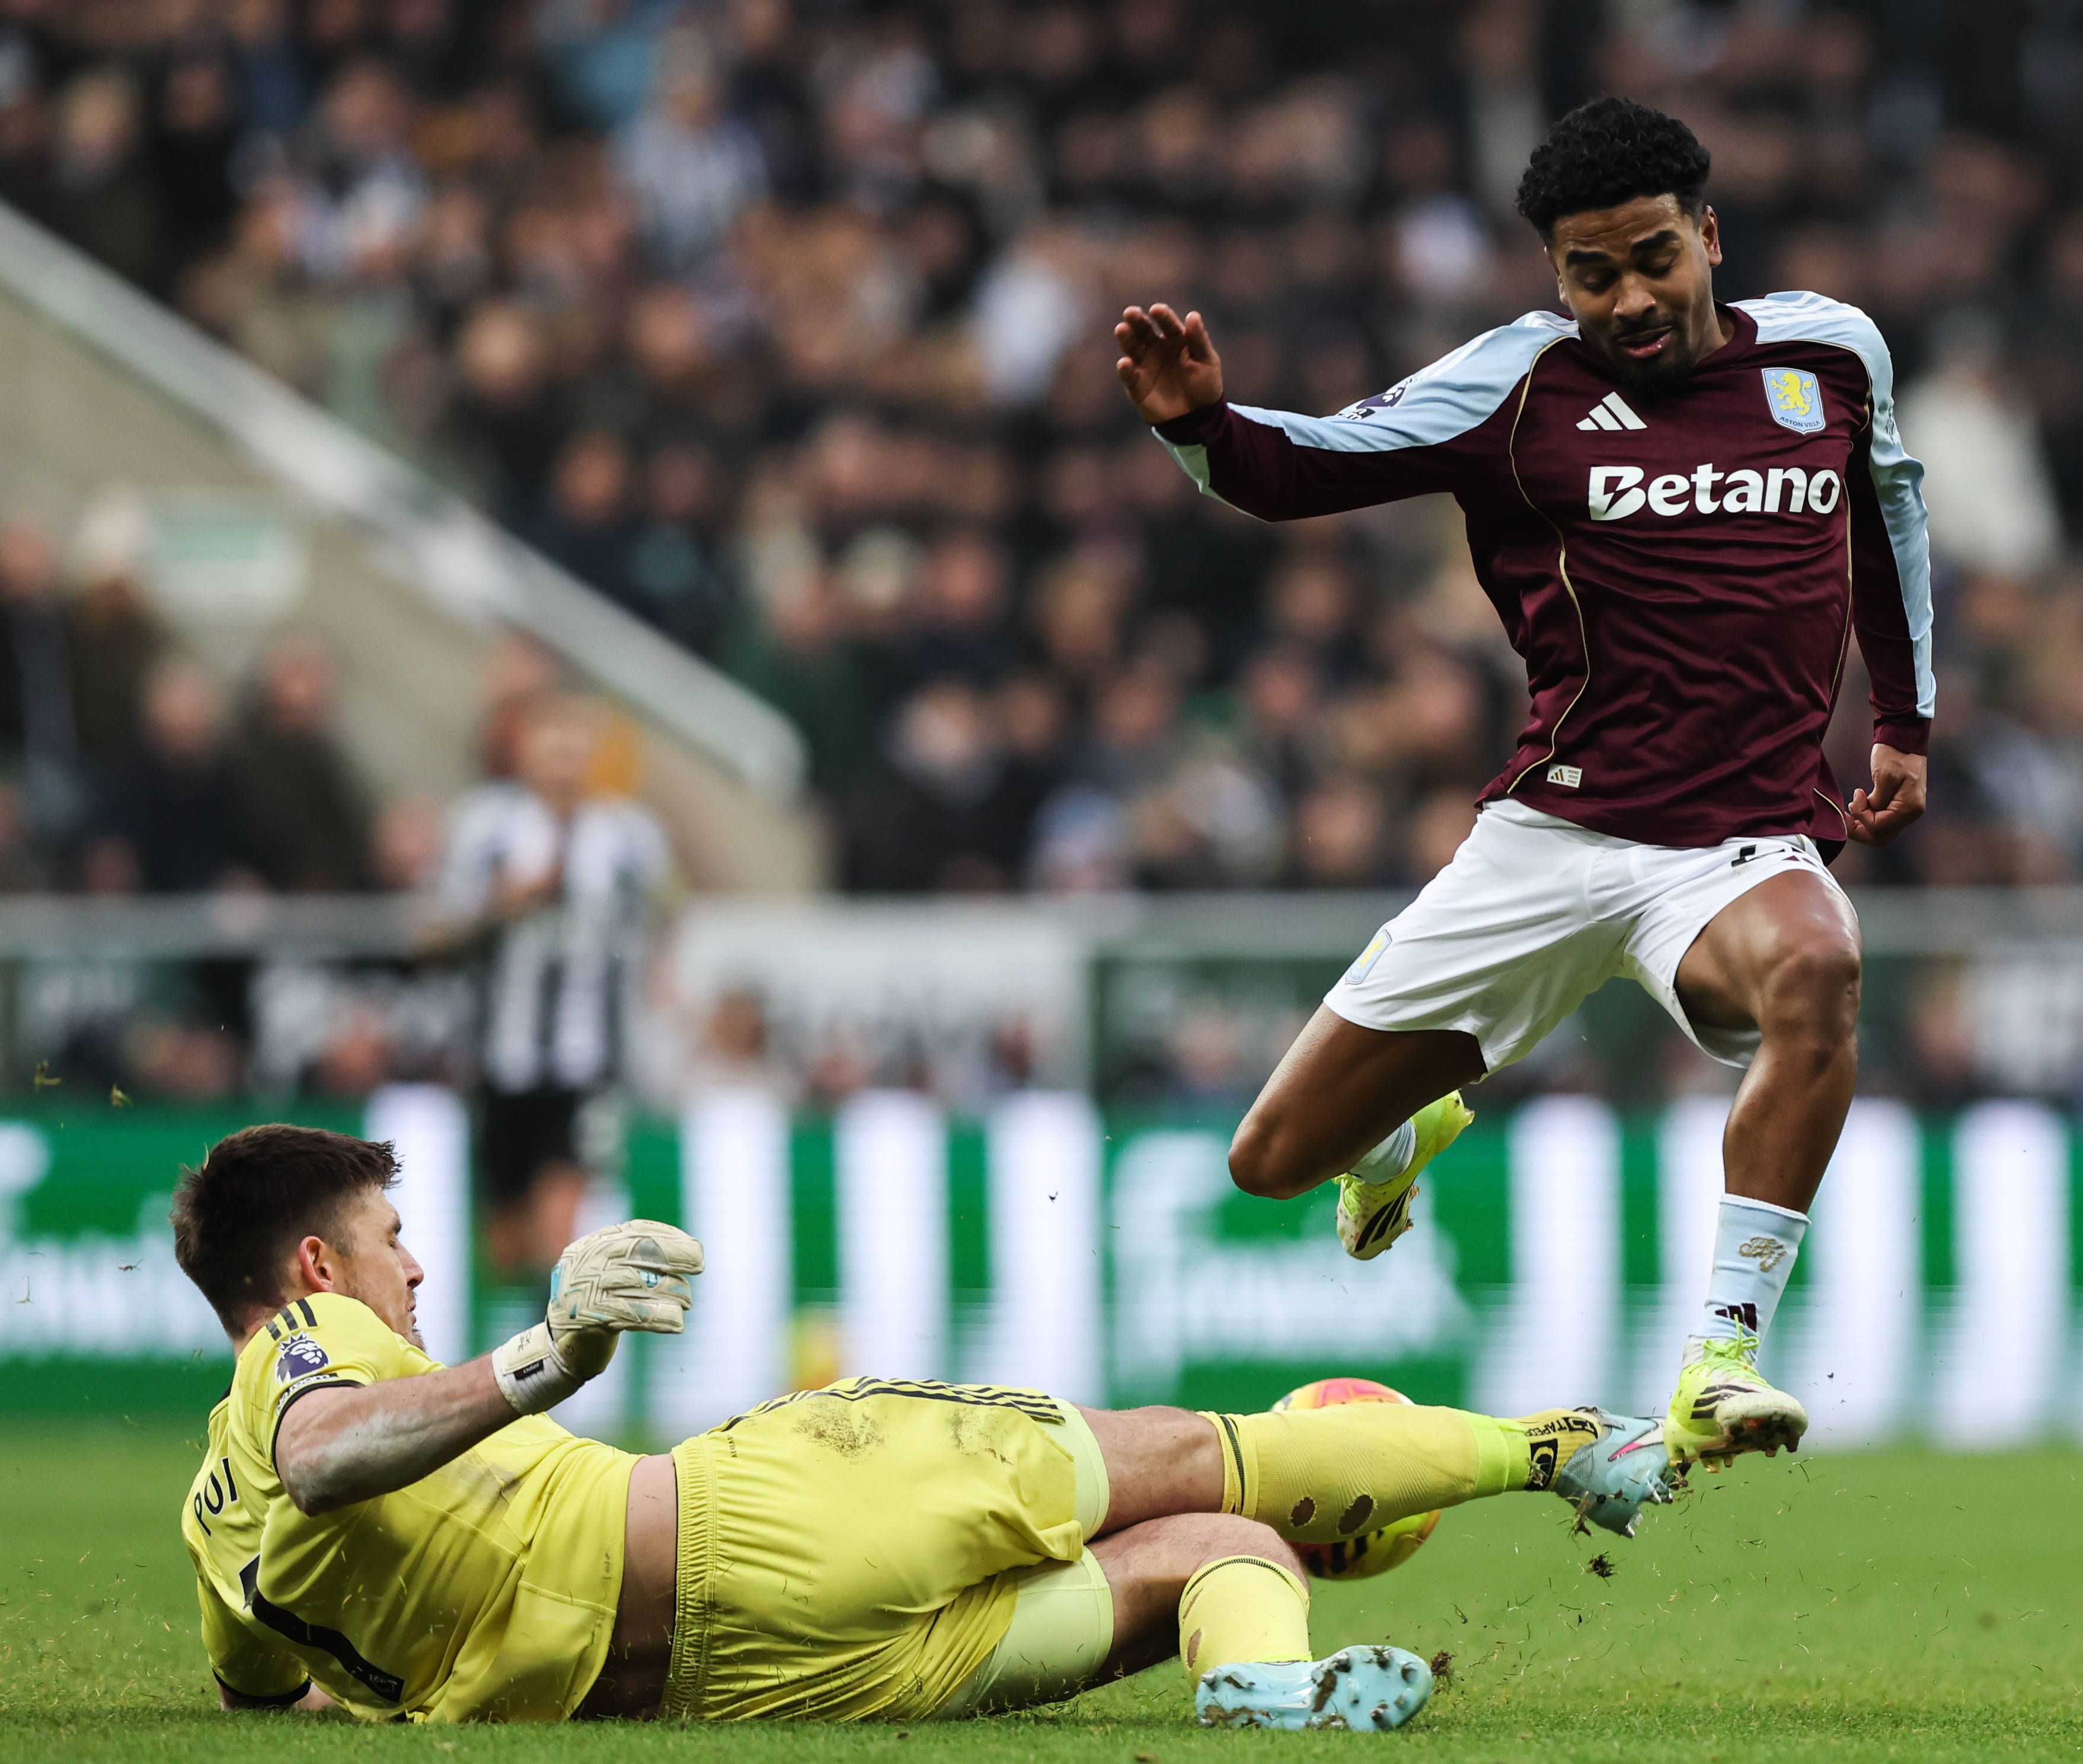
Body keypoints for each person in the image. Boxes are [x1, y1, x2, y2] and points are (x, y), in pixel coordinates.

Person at [1113, 98, 1932, 1471]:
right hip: (1552, 838)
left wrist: (1904, 722)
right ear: (1556, 274)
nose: (1628, 299)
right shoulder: (1516, 382)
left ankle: (1722, 1360)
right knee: (1272, 1160)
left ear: (1708, 236)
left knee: (1817, 966)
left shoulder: (1829, 355)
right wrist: (1199, 424)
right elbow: (1302, 468)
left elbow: (1886, 511)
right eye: (1590, 274)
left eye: (1652, 259)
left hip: (1733, 851)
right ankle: (1396, 1139)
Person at [171, 1126, 1674, 1730]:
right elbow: (324, 1450)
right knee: (1207, 1454)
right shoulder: (314, 1345)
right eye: (389, 1241)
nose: (413, 1272)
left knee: (1220, 1555)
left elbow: (265, 1705)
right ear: (312, 1267)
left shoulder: (207, 1535)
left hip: (743, 1692)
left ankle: (1262, 1688)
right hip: (767, 1522)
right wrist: (541, 1359)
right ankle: (1565, 1451)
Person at [427, 691, 673, 1277]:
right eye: (550, 735)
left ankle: (555, 1320)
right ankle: (529, 1314)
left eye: (574, 735)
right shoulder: (485, 827)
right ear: (524, 747)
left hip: (591, 1060)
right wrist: (500, 905)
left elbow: (665, 919)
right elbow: (433, 934)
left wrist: (658, 990)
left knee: (561, 1221)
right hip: (500, 1056)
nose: (563, 750)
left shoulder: (631, 837)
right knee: (506, 1242)